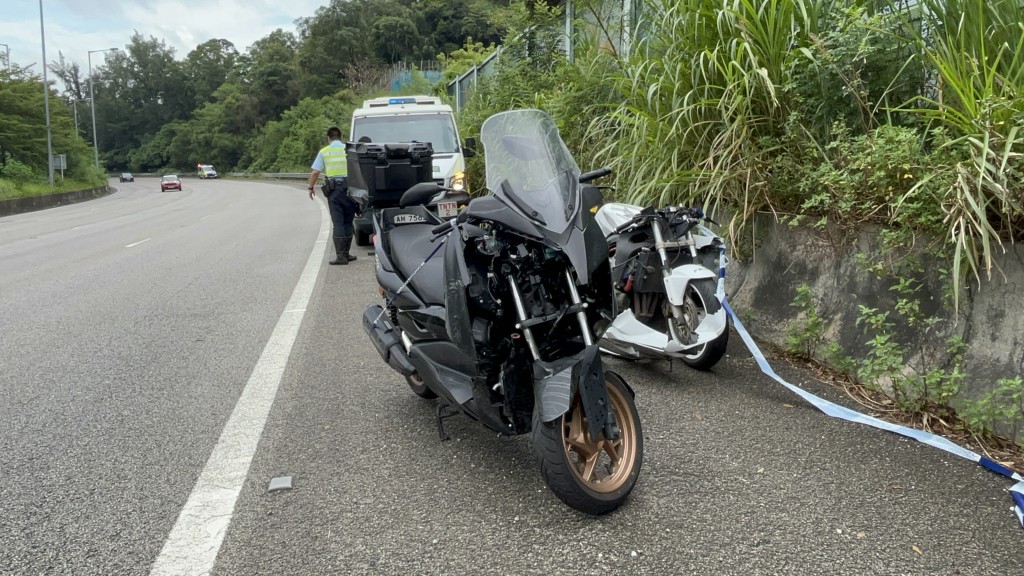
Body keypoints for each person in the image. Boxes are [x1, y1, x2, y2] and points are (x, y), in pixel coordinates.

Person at [308, 126, 358, 265]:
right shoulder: (348, 149)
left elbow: (315, 172)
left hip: (334, 191)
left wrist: (310, 187)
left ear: (328, 138)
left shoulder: (324, 151)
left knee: (338, 223)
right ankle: (346, 254)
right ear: (341, 137)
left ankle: (340, 256)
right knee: (348, 221)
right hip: (351, 190)